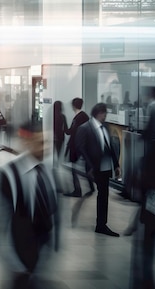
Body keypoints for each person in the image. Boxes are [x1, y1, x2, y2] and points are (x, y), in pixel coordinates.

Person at [0, 121, 60, 289]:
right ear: (26, 142)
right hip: (18, 264)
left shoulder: (48, 173)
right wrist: (17, 267)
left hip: (40, 262)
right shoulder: (8, 175)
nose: (45, 147)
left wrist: (50, 253)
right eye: (40, 142)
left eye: (46, 142)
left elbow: (54, 215)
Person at [75, 103, 121, 237]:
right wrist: (90, 166)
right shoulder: (85, 128)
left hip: (106, 167)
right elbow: (80, 147)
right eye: (103, 113)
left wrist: (116, 165)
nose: (105, 115)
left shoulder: (105, 127)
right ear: (97, 113)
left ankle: (101, 224)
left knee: (103, 195)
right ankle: (100, 224)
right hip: (94, 167)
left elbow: (110, 146)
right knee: (99, 193)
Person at [139, 86, 155, 289]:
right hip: (154, 204)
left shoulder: (153, 153)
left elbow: (145, 181)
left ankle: (146, 280)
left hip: (152, 207)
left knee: (149, 243)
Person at [63, 98, 94, 197]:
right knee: (86, 167)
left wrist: (64, 127)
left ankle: (77, 190)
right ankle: (91, 187)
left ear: (73, 106)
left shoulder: (77, 118)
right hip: (85, 146)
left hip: (77, 146)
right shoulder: (85, 116)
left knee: (74, 169)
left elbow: (71, 132)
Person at [52, 101, 67, 168]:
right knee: (58, 153)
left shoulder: (53, 117)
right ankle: (58, 165)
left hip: (53, 136)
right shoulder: (62, 116)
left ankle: (53, 165)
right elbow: (66, 129)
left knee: (52, 153)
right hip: (60, 137)